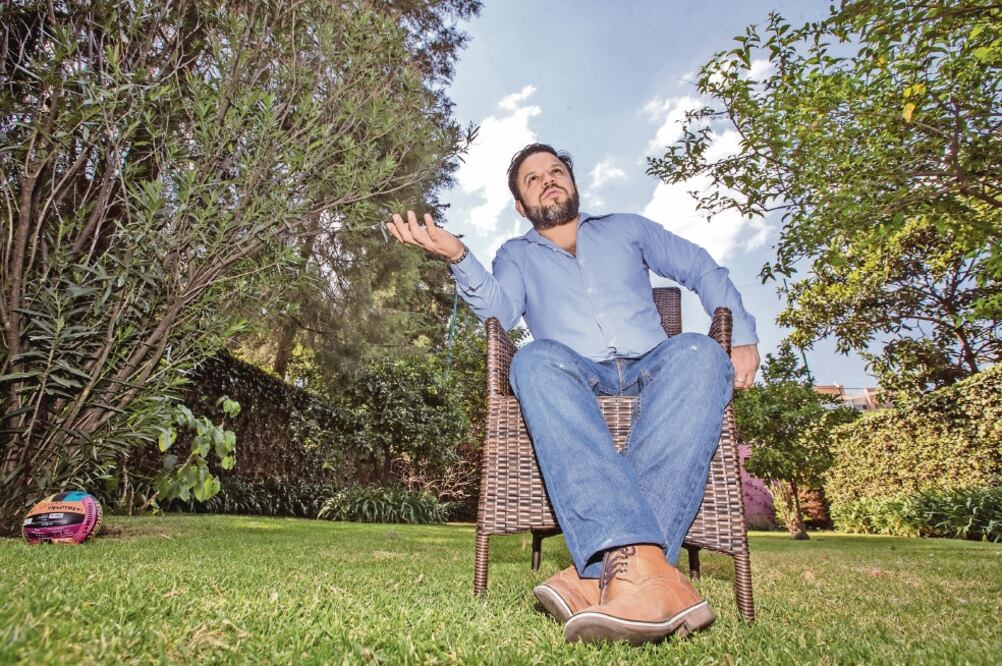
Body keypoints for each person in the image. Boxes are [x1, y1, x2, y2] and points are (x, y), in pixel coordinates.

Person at [386, 143, 760, 645]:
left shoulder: (628, 228)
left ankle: (600, 574)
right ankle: (642, 577)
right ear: (521, 205)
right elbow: (498, 308)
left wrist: (742, 336)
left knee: (698, 351)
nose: (547, 180)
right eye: (532, 179)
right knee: (533, 359)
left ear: (573, 183)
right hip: (575, 372)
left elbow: (699, 267)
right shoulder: (515, 254)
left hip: (656, 365)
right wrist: (458, 255)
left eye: (555, 171)